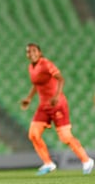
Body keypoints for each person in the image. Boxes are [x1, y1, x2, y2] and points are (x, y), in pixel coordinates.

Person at [21, 43, 93, 175]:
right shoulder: (31, 67)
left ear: (40, 52)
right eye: (28, 52)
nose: (31, 54)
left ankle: (86, 160)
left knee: (65, 137)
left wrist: (56, 96)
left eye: (34, 51)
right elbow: (37, 84)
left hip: (57, 104)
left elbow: (60, 79)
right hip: (44, 106)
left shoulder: (46, 64)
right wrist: (29, 98)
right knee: (33, 134)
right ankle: (48, 163)